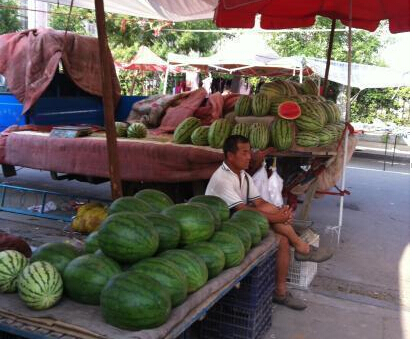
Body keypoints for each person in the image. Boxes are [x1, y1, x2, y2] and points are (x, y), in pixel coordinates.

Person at [205, 135, 334, 310]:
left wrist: (281, 212)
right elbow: (242, 210)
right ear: (230, 156)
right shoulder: (222, 179)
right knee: (275, 223)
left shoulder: (243, 175)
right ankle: (302, 248)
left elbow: (259, 203)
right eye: (244, 153)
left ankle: (281, 293)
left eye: (249, 152)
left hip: (239, 222)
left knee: (282, 238)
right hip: (221, 228)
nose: (249, 156)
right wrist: (277, 218)